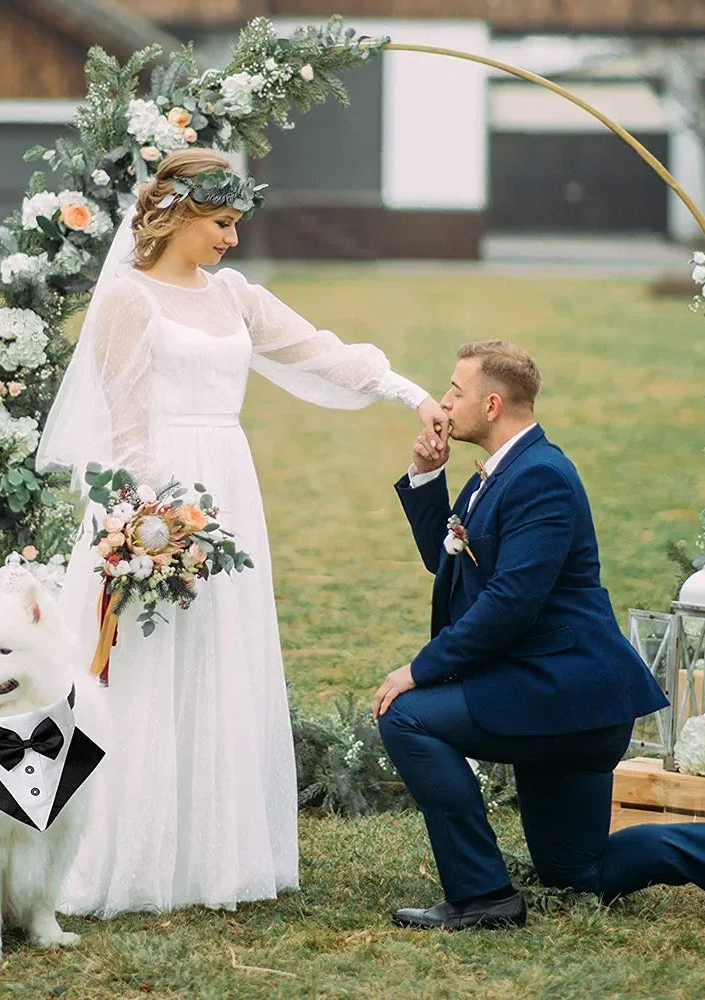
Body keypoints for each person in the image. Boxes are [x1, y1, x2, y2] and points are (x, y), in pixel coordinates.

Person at [36, 148, 449, 916]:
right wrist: (146, 526)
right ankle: (126, 854)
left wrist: (410, 392)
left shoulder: (234, 297)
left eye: (235, 224)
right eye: (222, 222)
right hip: (156, 501)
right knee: (149, 665)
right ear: (181, 213)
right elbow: (124, 424)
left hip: (229, 483)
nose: (232, 238)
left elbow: (321, 353)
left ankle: (213, 855)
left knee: (221, 653)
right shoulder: (128, 299)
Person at [373, 340, 705, 930]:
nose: (444, 403)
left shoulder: (542, 478)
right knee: (579, 870)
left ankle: (482, 895)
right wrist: (429, 478)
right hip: (559, 702)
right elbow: (452, 563)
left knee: (405, 715)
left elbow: (511, 604)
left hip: (564, 699)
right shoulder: (502, 472)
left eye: (454, 392)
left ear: (490, 404)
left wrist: (420, 670)